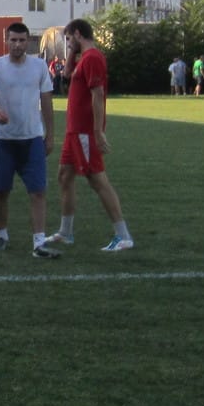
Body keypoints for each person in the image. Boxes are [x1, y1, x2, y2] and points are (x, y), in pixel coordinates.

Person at [44, 19, 135, 253]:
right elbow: (66, 75)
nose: (67, 43)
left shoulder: (93, 58)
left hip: (84, 131)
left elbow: (97, 95)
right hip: (74, 131)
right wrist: (74, 50)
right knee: (64, 176)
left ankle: (123, 236)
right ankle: (65, 233)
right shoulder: (83, 57)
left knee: (97, 180)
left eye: (68, 39)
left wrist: (97, 132)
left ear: (77, 33)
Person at [0, 23, 57, 258]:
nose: (17, 45)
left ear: (28, 42)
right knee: (1, 192)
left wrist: (50, 135)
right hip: (4, 140)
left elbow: (46, 101)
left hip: (32, 138)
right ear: (7, 40)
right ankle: (1, 236)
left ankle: (39, 242)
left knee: (38, 191)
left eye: (22, 40)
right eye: (13, 40)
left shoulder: (39, 66)